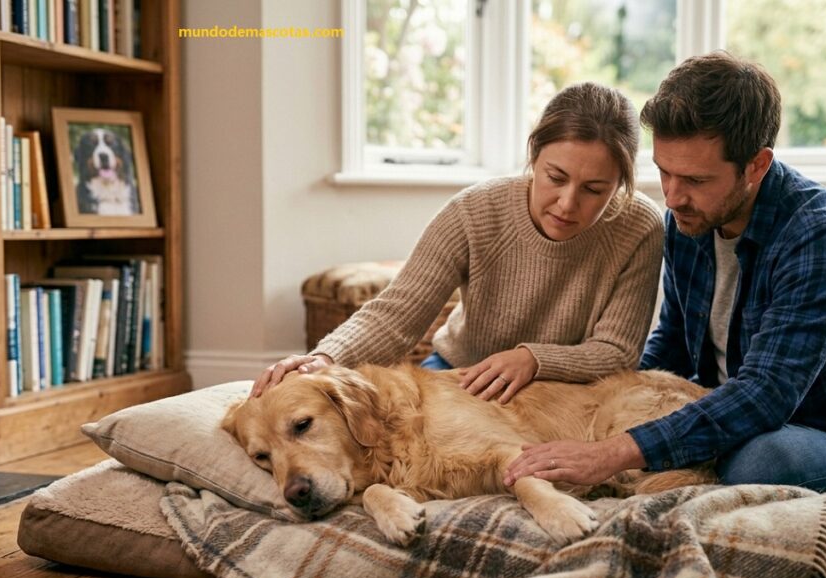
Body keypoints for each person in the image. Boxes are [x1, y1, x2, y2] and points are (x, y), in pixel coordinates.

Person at [505, 51, 826, 492]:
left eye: (695, 180)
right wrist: (597, 410)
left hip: (824, 434)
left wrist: (613, 451)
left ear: (756, 165)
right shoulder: (686, 221)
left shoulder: (822, 236)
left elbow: (767, 394)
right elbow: (672, 347)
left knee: (756, 464)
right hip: (716, 406)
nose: (673, 196)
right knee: (649, 443)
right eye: (664, 172)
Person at [251, 82, 665, 404]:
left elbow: (616, 352)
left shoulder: (640, 226)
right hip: (459, 372)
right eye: (555, 178)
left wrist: (533, 359)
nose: (568, 202)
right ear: (534, 157)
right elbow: (396, 315)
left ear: (621, 185)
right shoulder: (475, 210)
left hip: (563, 392)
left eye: (595, 188)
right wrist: (325, 359)